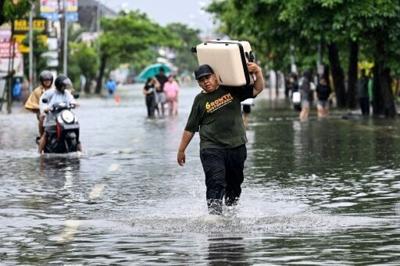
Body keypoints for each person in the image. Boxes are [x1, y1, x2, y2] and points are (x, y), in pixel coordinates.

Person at [177, 63, 265, 215]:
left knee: (235, 185)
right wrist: (181, 149)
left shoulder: (232, 89)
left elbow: (257, 88)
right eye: (201, 80)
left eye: (208, 77)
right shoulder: (200, 100)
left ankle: (231, 213)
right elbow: (190, 128)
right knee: (215, 182)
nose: (206, 81)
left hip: (236, 146)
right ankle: (214, 217)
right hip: (211, 148)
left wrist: (258, 71)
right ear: (198, 83)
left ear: (216, 76)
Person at [38, 75, 79, 153]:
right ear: (59, 85)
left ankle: (80, 152)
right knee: (46, 134)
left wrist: (75, 103)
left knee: (76, 128)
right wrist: (45, 108)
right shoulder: (50, 93)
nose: (65, 87)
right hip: (52, 118)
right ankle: (40, 153)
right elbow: (42, 102)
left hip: (65, 118)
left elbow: (71, 100)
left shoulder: (66, 93)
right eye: (64, 85)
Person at [25, 70, 54, 138]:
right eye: (45, 80)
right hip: (43, 112)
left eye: (49, 80)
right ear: (42, 81)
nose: (47, 82)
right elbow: (30, 103)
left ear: (51, 80)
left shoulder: (55, 89)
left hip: (55, 111)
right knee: (42, 118)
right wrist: (40, 107)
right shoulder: (37, 91)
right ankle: (42, 136)